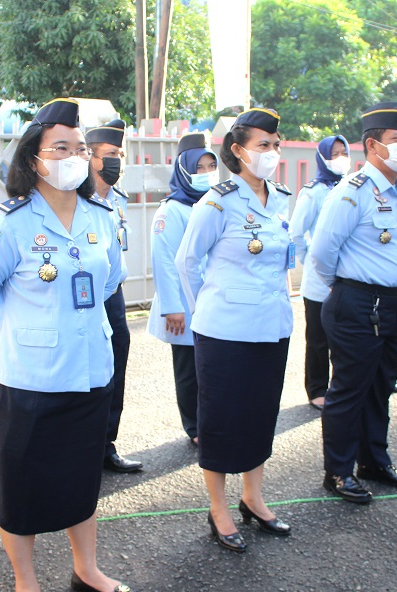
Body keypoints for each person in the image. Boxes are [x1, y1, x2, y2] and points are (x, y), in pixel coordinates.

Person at [0, 98, 134, 592]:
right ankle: (27, 583)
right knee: (21, 487)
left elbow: (109, 282)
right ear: (35, 158)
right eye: (62, 147)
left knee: (81, 478)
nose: (75, 156)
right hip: (29, 377)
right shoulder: (8, 221)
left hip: (88, 369)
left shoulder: (101, 215)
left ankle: (86, 568)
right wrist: (24, 328)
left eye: (80, 148)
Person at [176, 108, 293, 553]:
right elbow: (187, 262)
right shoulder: (218, 201)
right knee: (223, 420)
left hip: (272, 325)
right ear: (239, 151)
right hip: (224, 331)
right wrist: (207, 309)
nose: (272, 152)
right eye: (264, 145)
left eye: (276, 144)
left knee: (260, 416)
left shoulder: (280, 197)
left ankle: (253, 496)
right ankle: (218, 508)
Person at [309, 102, 397, 504]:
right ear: (373, 145)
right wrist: (350, 291)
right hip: (359, 304)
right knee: (349, 390)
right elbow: (322, 253)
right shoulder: (352, 192)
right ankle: (338, 472)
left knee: (381, 388)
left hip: (395, 304)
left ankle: (374, 461)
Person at [147, 132, 218, 444]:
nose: (206, 174)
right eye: (199, 168)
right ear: (185, 171)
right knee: (190, 370)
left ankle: (211, 421)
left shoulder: (215, 203)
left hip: (212, 299)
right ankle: (195, 428)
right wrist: (173, 307)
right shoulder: (172, 210)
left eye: (210, 167)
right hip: (185, 305)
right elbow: (164, 260)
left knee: (212, 366)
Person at [86, 119, 143, 474]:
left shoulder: (117, 200)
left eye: (120, 154)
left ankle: (107, 444)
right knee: (87, 371)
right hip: (86, 297)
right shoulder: (76, 198)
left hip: (115, 297)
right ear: (91, 158)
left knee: (115, 371)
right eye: (110, 154)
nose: (116, 161)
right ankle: (82, 446)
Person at [287, 134, 350, 410]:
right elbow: (296, 233)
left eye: (343, 152)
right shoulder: (314, 192)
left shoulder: (352, 187)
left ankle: (341, 386)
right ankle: (316, 389)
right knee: (318, 338)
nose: (340, 158)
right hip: (319, 281)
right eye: (334, 153)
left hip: (349, 277)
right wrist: (310, 259)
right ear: (323, 157)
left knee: (346, 337)